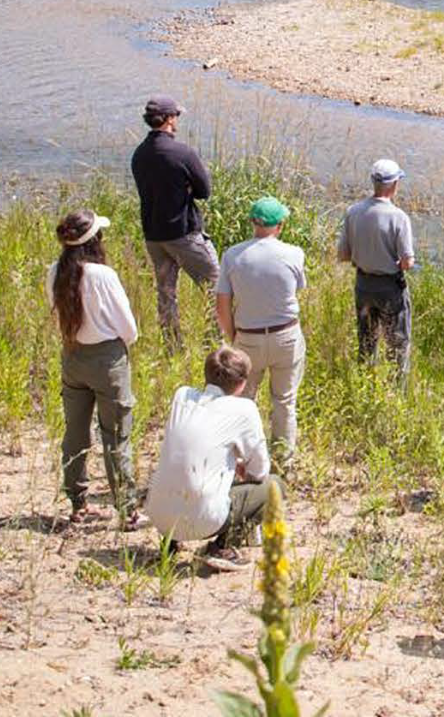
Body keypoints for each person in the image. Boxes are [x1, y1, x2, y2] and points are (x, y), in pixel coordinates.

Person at [50, 209, 147, 529]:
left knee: (75, 433)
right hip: (107, 360)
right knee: (116, 435)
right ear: (95, 242)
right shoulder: (103, 275)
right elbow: (128, 326)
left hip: (72, 356)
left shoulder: (55, 271)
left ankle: (77, 503)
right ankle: (128, 510)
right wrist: (121, 347)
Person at [144, 346, 276, 571]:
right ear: (242, 383)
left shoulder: (182, 395)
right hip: (204, 521)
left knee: (184, 470)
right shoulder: (244, 409)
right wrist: (241, 467)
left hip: (158, 514)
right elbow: (261, 470)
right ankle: (222, 547)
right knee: (274, 486)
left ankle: (170, 543)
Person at [215, 196, 308, 461]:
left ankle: (245, 458)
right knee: (285, 401)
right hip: (286, 335)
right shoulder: (294, 253)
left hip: (248, 337)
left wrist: (234, 337)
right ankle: (282, 459)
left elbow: (222, 306)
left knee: (244, 400)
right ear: (279, 225)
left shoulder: (232, 256)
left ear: (253, 223)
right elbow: (297, 289)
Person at [130, 94, 218, 343]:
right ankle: (213, 343)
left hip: (154, 235)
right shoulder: (182, 153)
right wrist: (186, 188)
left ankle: (172, 345)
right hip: (184, 234)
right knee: (216, 286)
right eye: (176, 115)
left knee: (166, 293)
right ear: (168, 119)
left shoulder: (139, 154)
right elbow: (205, 191)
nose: (177, 119)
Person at [337, 158, 416, 376]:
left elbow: (343, 254)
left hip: (363, 285)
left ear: (373, 182)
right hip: (390, 288)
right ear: (395, 185)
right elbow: (407, 262)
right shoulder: (399, 217)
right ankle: (395, 394)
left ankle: (365, 384)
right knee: (397, 344)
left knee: (366, 341)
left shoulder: (353, 211)